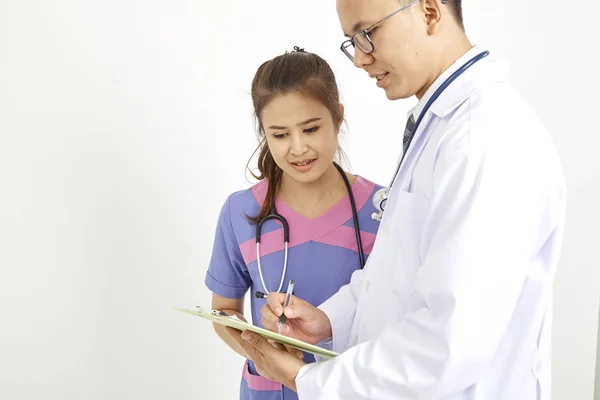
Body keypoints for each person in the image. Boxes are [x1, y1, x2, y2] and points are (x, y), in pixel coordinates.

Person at [227, 0, 566, 399]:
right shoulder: (442, 127)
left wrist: (308, 380)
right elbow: (398, 275)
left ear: (429, 11)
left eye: (367, 34)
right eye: (351, 42)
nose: (357, 58)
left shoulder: (484, 140)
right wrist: (329, 323)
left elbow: (448, 344)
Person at [204, 47, 384, 400]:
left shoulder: (382, 211)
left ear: (338, 117)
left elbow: (401, 320)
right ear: (264, 134)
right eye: (280, 134)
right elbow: (224, 311)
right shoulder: (240, 213)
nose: (298, 148)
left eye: (311, 128)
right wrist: (263, 354)